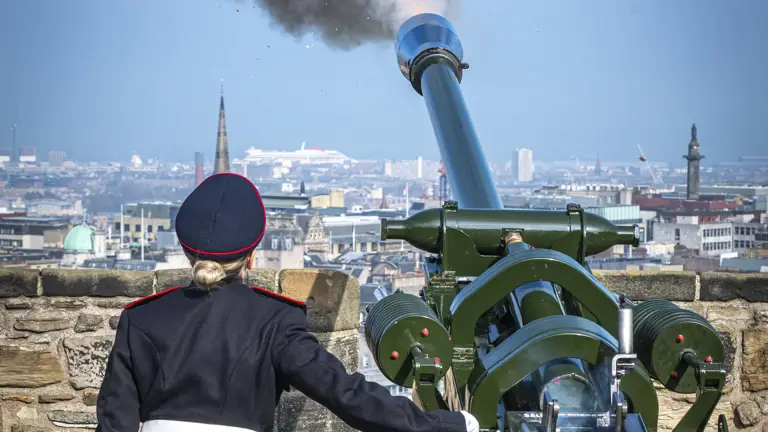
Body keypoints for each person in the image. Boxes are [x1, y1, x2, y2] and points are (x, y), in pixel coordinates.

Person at [96, 172, 480, 432]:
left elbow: (114, 424)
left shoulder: (140, 320)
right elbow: (347, 396)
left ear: (186, 251)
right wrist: (447, 424)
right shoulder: (274, 320)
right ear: (251, 257)